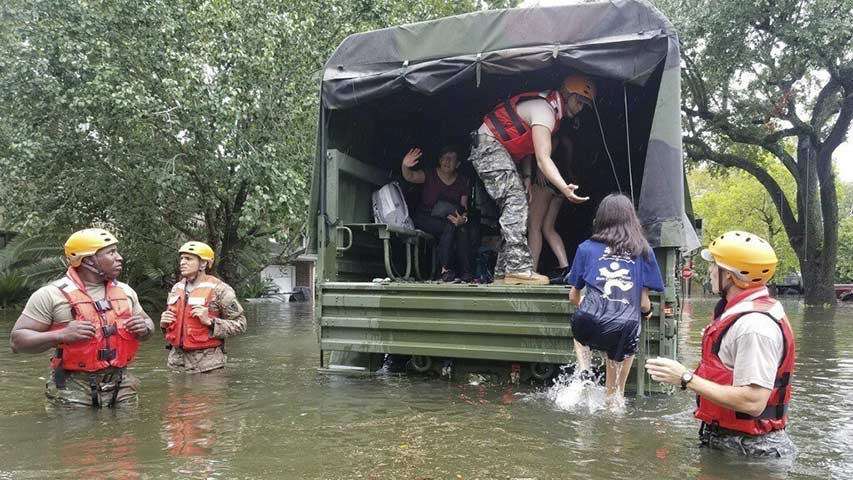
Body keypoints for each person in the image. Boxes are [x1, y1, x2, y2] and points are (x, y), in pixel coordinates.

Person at [645, 231, 796, 457]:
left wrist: (686, 378)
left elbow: (754, 402)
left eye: (715, 265)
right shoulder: (740, 313)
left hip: (751, 453)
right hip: (732, 443)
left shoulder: (754, 327)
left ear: (731, 276)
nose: (710, 271)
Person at [470, 72, 593, 285]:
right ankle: (517, 268)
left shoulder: (551, 113)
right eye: (579, 101)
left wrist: (526, 177)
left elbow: (526, 148)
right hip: (489, 146)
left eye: (585, 104)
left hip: (500, 151)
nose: (581, 107)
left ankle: (503, 271)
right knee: (516, 203)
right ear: (567, 95)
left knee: (516, 205)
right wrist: (564, 188)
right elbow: (543, 159)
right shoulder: (545, 111)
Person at [10, 228, 154, 407]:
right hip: (72, 387)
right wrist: (61, 335)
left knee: (125, 434)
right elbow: (17, 342)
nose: (119, 257)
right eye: (111, 252)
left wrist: (145, 327)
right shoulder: (50, 295)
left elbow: (149, 325)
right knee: (75, 435)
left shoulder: (125, 292)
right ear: (88, 260)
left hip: (122, 385)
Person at [566, 193, 664, 408]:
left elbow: (573, 296)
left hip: (589, 321)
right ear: (632, 219)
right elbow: (642, 304)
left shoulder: (585, 248)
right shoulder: (644, 250)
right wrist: (648, 313)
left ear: (600, 219)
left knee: (581, 323)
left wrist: (590, 305)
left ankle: (585, 370)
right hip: (624, 328)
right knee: (614, 397)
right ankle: (615, 436)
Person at [161, 241, 247, 373]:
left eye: (188, 259)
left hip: (208, 366)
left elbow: (241, 325)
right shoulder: (176, 288)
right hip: (176, 364)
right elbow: (173, 327)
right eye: (182, 258)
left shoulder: (220, 290)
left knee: (206, 394)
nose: (182, 262)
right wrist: (164, 324)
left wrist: (211, 322)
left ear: (203, 263)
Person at [402, 146, 472, 282]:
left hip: (448, 219)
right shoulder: (429, 174)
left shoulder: (462, 182)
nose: (447, 161)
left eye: (452, 158)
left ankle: (466, 273)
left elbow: (464, 207)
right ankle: (445, 270)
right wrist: (405, 165)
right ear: (439, 160)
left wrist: (463, 219)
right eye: (445, 157)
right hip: (425, 218)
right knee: (450, 226)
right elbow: (410, 176)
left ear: (457, 164)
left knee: (461, 228)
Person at [527, 129, 576, 283]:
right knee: (548, 228)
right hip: (561, 185)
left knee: (534, 227)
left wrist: (541, 171)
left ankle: (532, 270)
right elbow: (568, 163)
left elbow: (545, 156)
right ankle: (565, 267)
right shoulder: (567, 140)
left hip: (546, 182)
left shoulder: (550, 135)